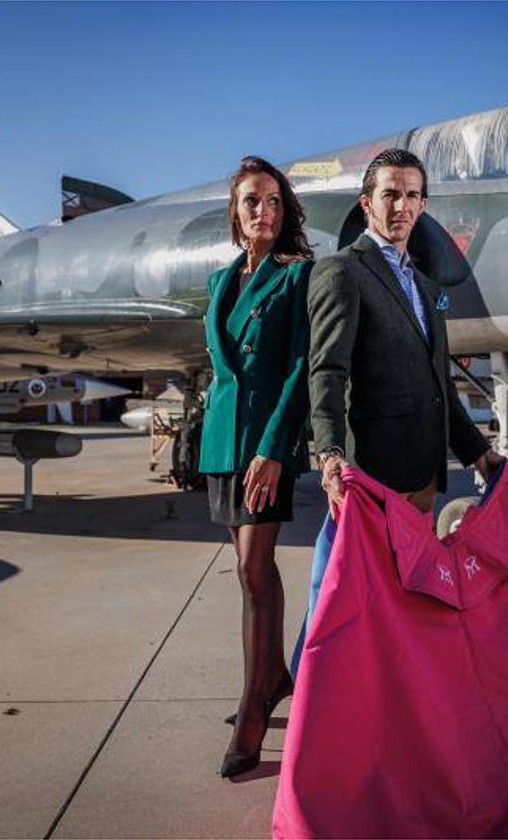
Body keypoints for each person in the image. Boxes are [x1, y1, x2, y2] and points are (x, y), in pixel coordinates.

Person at [198, 156, 313, 779]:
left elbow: (298, 368)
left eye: (272, 200)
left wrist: (274, 449)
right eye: (251, 201)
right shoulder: (218, 282)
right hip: (222, 442)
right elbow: (220, 368)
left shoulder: (296, 277)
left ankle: (252, 706)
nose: (262, 211)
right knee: (252, 573)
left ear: (284, 210)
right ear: (236, 214)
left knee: (252, 566)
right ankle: (275, 677)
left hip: (264, 446)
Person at [308, 148, 499, 515]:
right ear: (367, 203)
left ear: (423, 204)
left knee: (416, 575)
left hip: (423, 478)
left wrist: (478, 454)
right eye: (390, 195)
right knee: (370, 575)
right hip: (370, 476)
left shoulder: (427, 289)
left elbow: (438, 387)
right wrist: (330, 454)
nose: (402, 207)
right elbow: (327, 372)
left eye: (412, 196)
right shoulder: (342, 272)